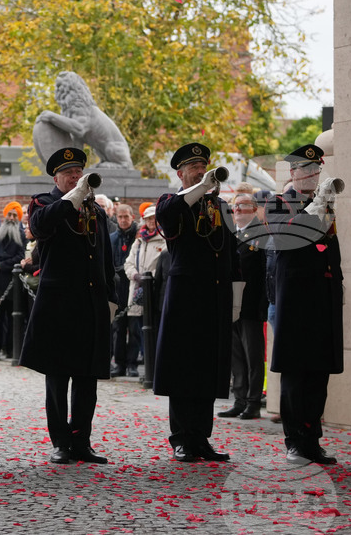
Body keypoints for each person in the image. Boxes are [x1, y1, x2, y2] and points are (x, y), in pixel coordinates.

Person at [19, 148, 115, 464]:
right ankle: (61, 441)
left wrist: (111, 301)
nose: (77, 178)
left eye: (79, 173)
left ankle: (82, 441)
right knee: (58, 378)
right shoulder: (44, 203)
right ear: (57, 178)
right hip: (59, 304)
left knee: (88, 377)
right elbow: (42, 226)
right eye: (70, 174)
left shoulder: (96, 211)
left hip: (90, 303)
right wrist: (72, 197)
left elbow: (105, 259)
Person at [154, 142, 235, 463]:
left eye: (204, 167)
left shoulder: (219, 206)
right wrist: (200, 187)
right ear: (181, 173)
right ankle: (182, 438)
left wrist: (235, 296)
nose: (202, 171)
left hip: (213, 296)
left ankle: (201, 437)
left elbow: (229, 251)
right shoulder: (171, 201)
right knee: (183, 367)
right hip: (185, 298)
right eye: (194, 168)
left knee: (207, 367)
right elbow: (169, 216)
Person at [267, 145, 342, 464]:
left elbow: (331, 250)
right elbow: (290, 238)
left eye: (317, 171)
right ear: (293, 173)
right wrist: (321, 204)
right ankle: (295, 440)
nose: (314, 176)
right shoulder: (277, 203)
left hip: (321, 296)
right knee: (297, 372)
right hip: (295, 298)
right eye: (308, 171)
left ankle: (312, 438)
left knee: (318, 371)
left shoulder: (323, 204)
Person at [217, 191, 268, 420]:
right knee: (235, 355)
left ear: (254, 209)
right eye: (235, 206)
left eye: (243, 206)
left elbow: (266, 274)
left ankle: (253, 401)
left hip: (251, 306)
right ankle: (239, 399)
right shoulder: (230, 235)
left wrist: (262, 305)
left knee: (253, 356)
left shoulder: (263, 236)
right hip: (232, 304)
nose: (236, 210)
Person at [123, 204, 166, 378]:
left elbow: (163, 266)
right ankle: (148, 366)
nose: (151, 222)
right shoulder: (139, 240)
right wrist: (135, 275)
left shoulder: (164, 240)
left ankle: (154, 369)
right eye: (148, 219)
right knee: (139, 330)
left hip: (154, 290)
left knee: (153, 330)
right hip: (137, 291)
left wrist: (149, 277)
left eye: (154, 218)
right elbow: (128, 263)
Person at [0, 201, 26, 361]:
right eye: (9, 214)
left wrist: (1, 264)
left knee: (12, 318)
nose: (11, 218)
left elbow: (21, 256)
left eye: (14, 215)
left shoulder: (21, 236)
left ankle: (10, 350)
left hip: (12, 281)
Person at [110, 204, 138, 376]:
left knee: (134, 328)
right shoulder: (112, 238)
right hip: (118, 287)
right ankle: (119, 363)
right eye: (120, 217)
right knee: (118, 328)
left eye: (126, 217)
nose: (123, 220)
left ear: (132, 217)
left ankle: (132, 363)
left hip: (134, 287)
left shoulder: (138, 237)